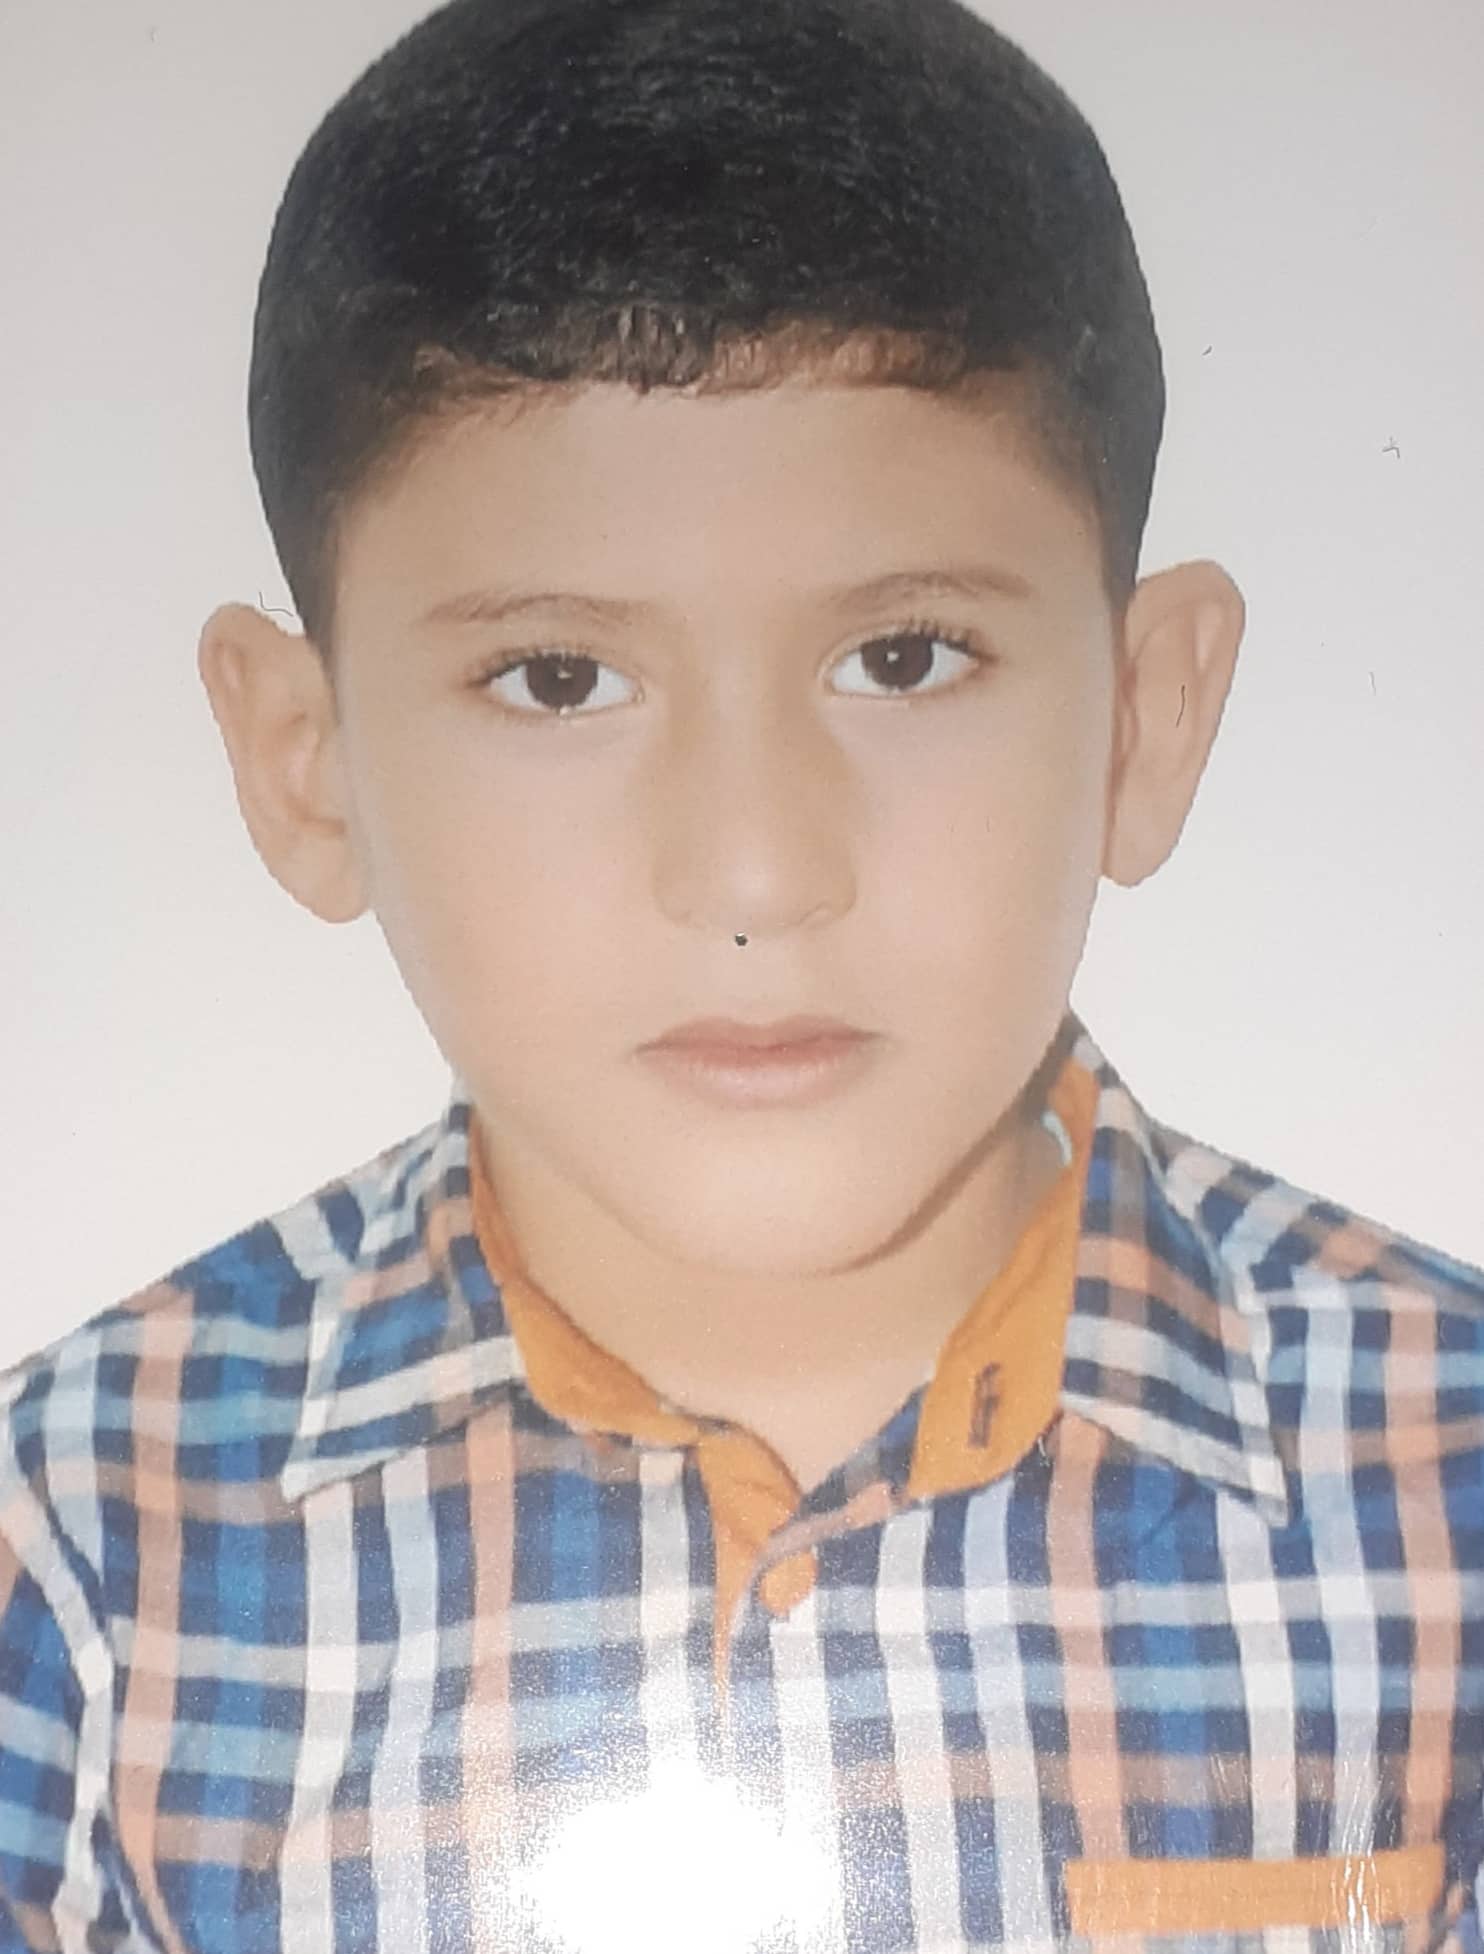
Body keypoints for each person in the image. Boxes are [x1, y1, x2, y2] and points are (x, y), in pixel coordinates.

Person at [1, 0, 1480, 1948]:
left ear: (1144, 715)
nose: (757, 869)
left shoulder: (1454, 1495)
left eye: (903, 658)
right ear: (306, 760)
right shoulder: (73, 1559)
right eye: (557, 678)